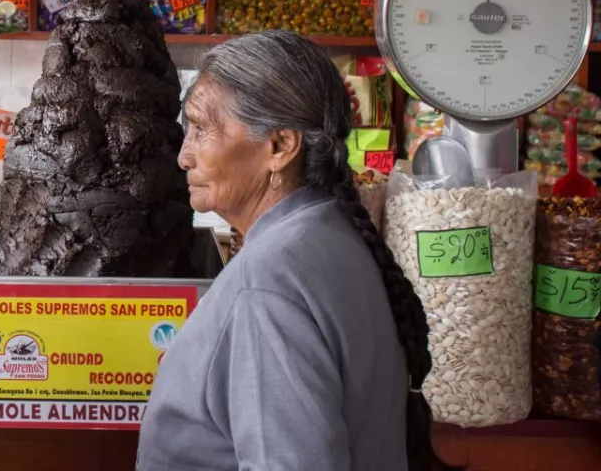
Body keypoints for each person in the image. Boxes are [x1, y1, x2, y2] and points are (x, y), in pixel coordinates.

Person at [138, 31, 457, 471]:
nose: (184, 156)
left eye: (201, 129)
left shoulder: (268, 284)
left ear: (280, 146)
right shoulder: (329, 232)